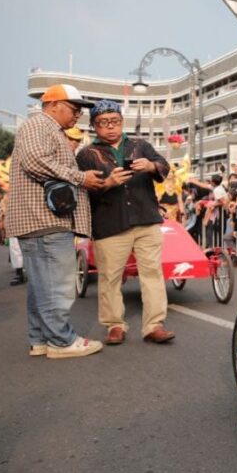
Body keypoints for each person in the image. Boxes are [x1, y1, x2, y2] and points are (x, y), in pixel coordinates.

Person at [6, 83, 107, 359]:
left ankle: (40, 339)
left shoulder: (47, 128)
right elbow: (35, 161)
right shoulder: (40, 125)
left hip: (39, 218)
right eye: (73, 109)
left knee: (42, 284)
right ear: (52, 105)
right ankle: (61, 341)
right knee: (56, 284)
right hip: (44, 218)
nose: (77, 115)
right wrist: (80, 177)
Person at [75, 100, 175, 345]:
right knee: (110, 277)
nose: (110, 127)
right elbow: (82, 189)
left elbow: (165, 167)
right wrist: (108, 183)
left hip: (146, 219)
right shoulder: (86, 155)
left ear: (122, 121)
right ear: (93, 127)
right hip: (109, 223)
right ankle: (114, 324)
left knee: (152, 273)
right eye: (103, 123)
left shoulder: (140, 145)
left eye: (115, 122)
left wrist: (151, 166)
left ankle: (154, 325)